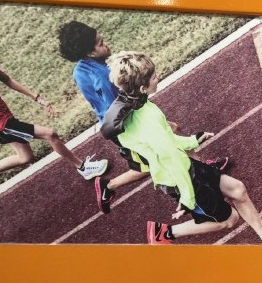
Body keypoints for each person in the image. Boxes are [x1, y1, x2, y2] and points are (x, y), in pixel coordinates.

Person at [102, 51, 262, 246]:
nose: (158, 77)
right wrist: (187, 197)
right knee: (229, 219)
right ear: (142, 87)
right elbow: (170, 157)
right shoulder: (147, 118)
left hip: (185, 166)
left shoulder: (143, 107)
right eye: (154, 77)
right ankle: (166, 233)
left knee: (237, 190)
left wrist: (192, 141)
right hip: (179, 177)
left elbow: (169, 141)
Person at [58, 21, 228, 214]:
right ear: (90, 53)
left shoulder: (79, 70)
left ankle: (202, 166)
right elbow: (120, 107)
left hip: (116, 123)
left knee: (166, 141)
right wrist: (155, 123)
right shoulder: (105, 77)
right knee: (153, 162)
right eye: (101, 44)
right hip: (127, 128)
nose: (106, 44)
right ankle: (110, 186)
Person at [0, 34, 108, 201]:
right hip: (0, 124)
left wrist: (37, 98)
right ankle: (83, 167)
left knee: (25, 157)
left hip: (5, 116)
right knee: (50, 134)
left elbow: (7, 80)